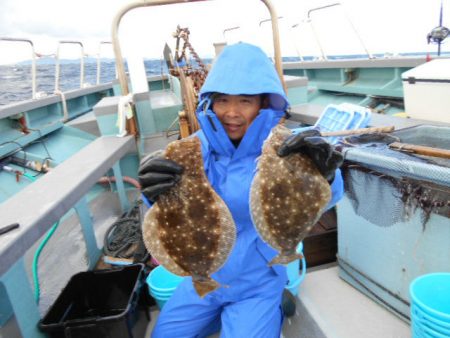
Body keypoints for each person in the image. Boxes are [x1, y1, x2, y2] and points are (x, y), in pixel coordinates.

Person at [138, 42, 344, 338]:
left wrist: (327, 174)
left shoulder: (284, 149)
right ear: (210, 102)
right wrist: (151, 189)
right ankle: (223, 314)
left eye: (245, 101)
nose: (231, 113)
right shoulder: (190, 149)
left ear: (263, 103)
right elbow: (165, 212)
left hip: (258, 279)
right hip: (205, 273)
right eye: (222, 100)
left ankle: (272, 305)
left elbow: (327, 198)